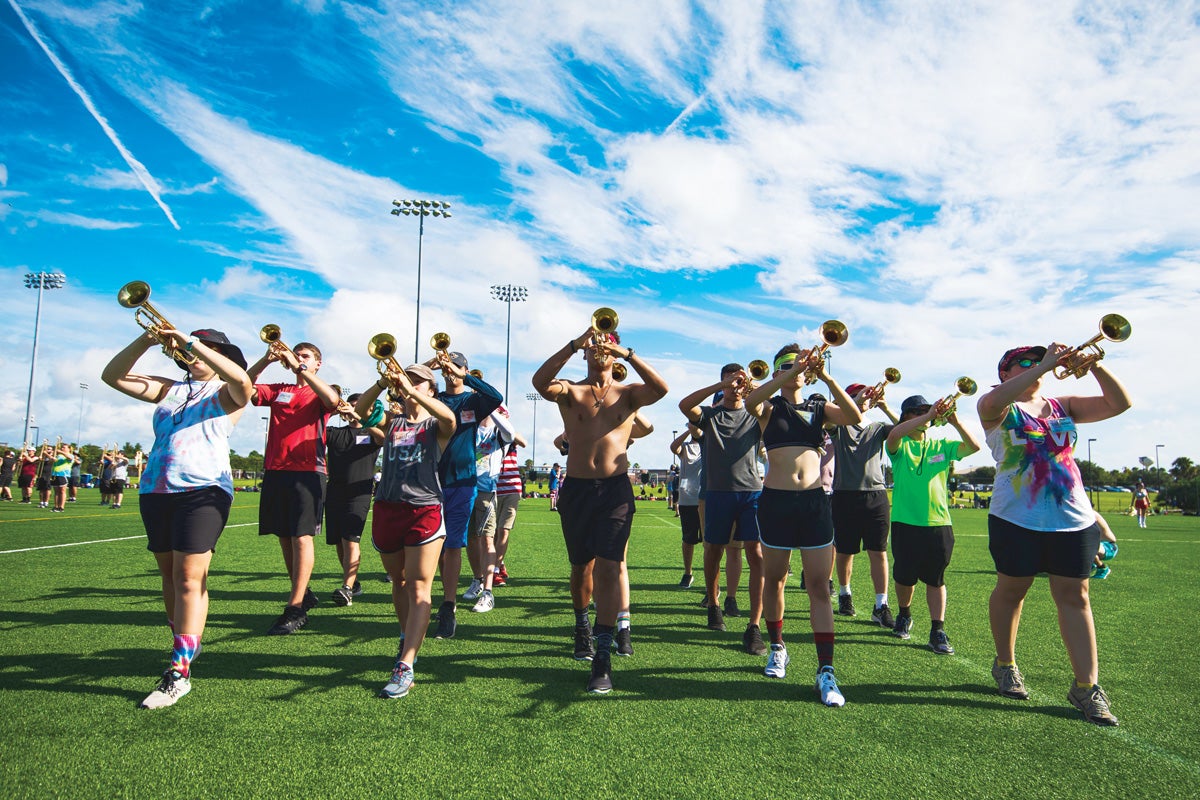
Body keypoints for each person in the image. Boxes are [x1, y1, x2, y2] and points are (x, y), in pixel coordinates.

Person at [977, 343, 1131, 726]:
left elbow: (1120, 403)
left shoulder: (1064, 405)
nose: (1036, 367)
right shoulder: (996, 406)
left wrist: (1094, 364)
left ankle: (1086, 687)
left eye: (1038, 361)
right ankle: (1005, 664)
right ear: (1005, 373)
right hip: (1015, 517)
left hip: (1072, 517)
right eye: (1024, 363)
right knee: (1013, 590)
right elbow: (992, 403)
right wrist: (1045, 364)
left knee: (1075, 596)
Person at [102, 325, 252, 709]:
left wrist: (193, 344)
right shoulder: (171, 389)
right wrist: (148, 340)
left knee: (189, 576)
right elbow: (112, 376)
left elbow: (242, 379)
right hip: (156, 488)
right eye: (192, 349)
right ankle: (187, 642)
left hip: (204, 489)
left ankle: (179, 671)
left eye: (206, 349)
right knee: (170, 577)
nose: (195, 355)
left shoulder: (227, 391)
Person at [532, 326, 668, 693]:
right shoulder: (571, 391)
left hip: (615, 491)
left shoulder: (628, 394)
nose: (600, 350)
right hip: (576, 490)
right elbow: (540, 381)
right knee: (581, 568)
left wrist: (627, 353)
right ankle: (582, 625)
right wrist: (575, 342)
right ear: (585, 353)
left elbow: (661, 389)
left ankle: (603, 655)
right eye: (594, 346)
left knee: (610, 568)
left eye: (606, 346)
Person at [744, 345, 862, 706]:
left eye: (800, 365)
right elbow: (751, 402)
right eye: (787, 365)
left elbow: (853, 415)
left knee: (818, 587)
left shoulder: (817, 407)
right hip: (777, 503)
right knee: (775, 578)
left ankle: (826, 670)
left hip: (813, 504)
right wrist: (783, 375)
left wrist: (826, 376)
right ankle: (777, 646)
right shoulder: (768, 406)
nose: (796, 369)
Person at [354, 363, 456, 699]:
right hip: (387, 507)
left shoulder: (435, 423)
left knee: (418, 586)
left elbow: (451, 421)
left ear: (430, 388)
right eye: (407, 377)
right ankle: (405, 635)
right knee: (397, 580)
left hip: (424, 508)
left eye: (418, 380)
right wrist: (382, 382)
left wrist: (410, 391)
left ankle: (406, 663)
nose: (409, 382)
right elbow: (360, 411)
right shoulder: (392, 419)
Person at [249, 339, 341, 635]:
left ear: (317, 363)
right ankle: (303, 593)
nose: (298, 359)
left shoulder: (317, 390)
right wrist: (266, 359)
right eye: (296, 354)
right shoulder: (278, 390)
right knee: (285, 536)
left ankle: (296, 606)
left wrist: (304, 371)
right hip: (276, 471)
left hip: (308, 472)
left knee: (302, 537)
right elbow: (243, 388)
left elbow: (333, 400)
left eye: (306, 356)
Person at [679, 364, 767, 656]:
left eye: (740, 380)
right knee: (713, 550)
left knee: (756, 554)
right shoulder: (711, 414)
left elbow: (770, 410)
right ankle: (714, 604)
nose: (736, 385)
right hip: (717, 493)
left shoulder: (756, 412)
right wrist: (719, 386)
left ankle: (754, 624)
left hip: (751, 492)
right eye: (731, 380)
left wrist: (752, 388)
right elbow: (685, 405)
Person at [886, 392, 981, 656]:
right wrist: (930, 416)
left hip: (939, 522)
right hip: (906, 521)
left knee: (936, 579)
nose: (924, 416)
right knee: (904, 577)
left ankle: (937, 629)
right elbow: (892, 436)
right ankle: (904, 614)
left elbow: (974, 447)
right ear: (906, 416)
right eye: (917, 412)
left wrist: (955, 420)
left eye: (926, 412)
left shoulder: (941, 444)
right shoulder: (901, 443)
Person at [426, 350, 503, 639]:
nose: (450, 370)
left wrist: (466, 377)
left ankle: (449, 605)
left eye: (456, 366)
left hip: (462, 481)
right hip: (429, 481)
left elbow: (496, 397)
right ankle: (435, 597)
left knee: (453, 544)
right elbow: (406, 390)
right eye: (447, 366)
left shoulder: (472, 400)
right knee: (433, 544)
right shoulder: (434, 399)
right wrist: (428, 366)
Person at [829, 382, 899, 627]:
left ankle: (881, 604)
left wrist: (885, 406)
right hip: (844, 495)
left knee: (878, 552)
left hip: (875, 496)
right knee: (845, 552)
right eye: (858, 395)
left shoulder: (878, 427)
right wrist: (855, 401)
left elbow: (905, 430)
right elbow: (827, 418)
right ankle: (845, 593)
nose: (866, 398)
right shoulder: (839, 425)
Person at [325, 392, 382, 606]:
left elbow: (383, 439)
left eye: (359, 406)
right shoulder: (335, 432)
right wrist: (332, 410)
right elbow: (315, 429)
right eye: (352, 405)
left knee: (350, 539)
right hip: (334, 493)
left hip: (359, 494)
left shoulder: (371, 432)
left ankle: (347, 588)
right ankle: (353, 582)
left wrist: (361, 417)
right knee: (339, 542)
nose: (354, 409)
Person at [463, 407, 518, 613]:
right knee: (470, 539)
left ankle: (487, 591)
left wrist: (492, 408)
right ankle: (477, 579)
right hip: (464, 488)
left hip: (486, 491)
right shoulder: (470, 426)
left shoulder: (498, 430)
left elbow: (511, 434)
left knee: (487, 539)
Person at [670, 426, 704, 589]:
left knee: (708, 542)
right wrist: (689, 430)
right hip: (686, 500)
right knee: (688, 539)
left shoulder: (708, 444)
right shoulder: (685, 448)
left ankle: (710, 577)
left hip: (705, 499)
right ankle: (688, 573)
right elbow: (673, 446)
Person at [492, 434, 526, 586]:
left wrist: (505, 426)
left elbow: (523, 442)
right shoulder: (488, 436)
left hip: (511, 488)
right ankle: (500, 562)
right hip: (492, 488)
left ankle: (495, 570)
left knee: (503, 530)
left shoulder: (509, 434)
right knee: (492, 534)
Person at [50, 442, 73, 512]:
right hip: (55, 474)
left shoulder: (70, 455)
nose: (62, 448)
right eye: (62, 447)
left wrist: (60, 452)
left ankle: (61, 507)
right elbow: (51, 462)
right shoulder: (58, 456)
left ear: (69, 449)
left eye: (64, 447)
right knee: (56, 492)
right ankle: (56, 506)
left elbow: (69, 458)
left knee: (62, 491)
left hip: (63, 475)